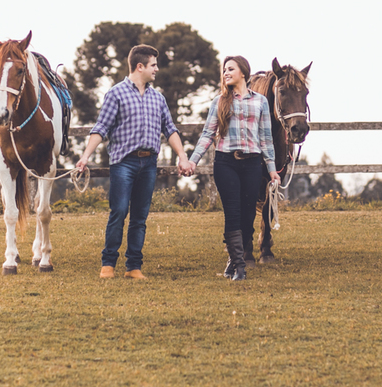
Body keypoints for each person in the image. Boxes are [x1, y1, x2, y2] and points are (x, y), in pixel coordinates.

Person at [76, 44, 192, 279]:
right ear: (140, 66)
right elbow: (101, 127)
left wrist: (182, 156)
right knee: (119, 211)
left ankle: (133, 267)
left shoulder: (158, 98)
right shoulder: (116, 94)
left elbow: (170, 129)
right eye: (153, 65)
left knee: (140, 216)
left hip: (149, 164)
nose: (156, 69)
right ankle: (108, 264)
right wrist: (85, 156)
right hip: (123, 163)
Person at [184, 55, 280, 281]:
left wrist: (272, 169)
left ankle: (232, 261)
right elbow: (207, 134)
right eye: (224, 70)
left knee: (248, 215)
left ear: (243, 73)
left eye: (230, 69)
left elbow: (266, 138)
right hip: (226, 162)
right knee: (233, 212)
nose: (225, 73)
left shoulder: (261, 102)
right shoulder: (219, 101)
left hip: (252, 163)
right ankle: (239, 266)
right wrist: (193, 160)